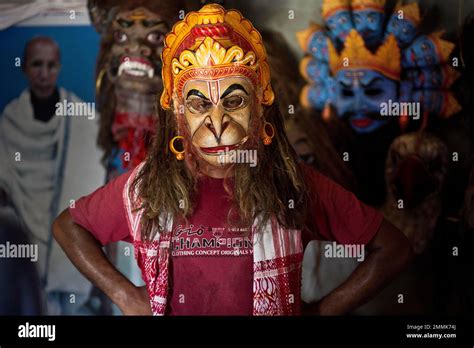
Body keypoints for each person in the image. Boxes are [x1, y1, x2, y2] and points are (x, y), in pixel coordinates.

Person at [53, 4, 413, 316]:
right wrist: (125, 296)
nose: (218, 121)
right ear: (179, 115)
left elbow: (393, 249)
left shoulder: (293, 184)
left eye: (235, 100)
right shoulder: (146, 186)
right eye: (198, 104)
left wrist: (322, 310)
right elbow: (69, 226)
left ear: (259, 108)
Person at [0, 36, 105, 314]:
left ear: (58, 68)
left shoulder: (81, 118)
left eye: (50, 65)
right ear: (24, 68)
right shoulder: (10, 119)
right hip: (24, 221)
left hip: (63, 220)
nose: (44, 73)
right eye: (37, 65)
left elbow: (93, 170)